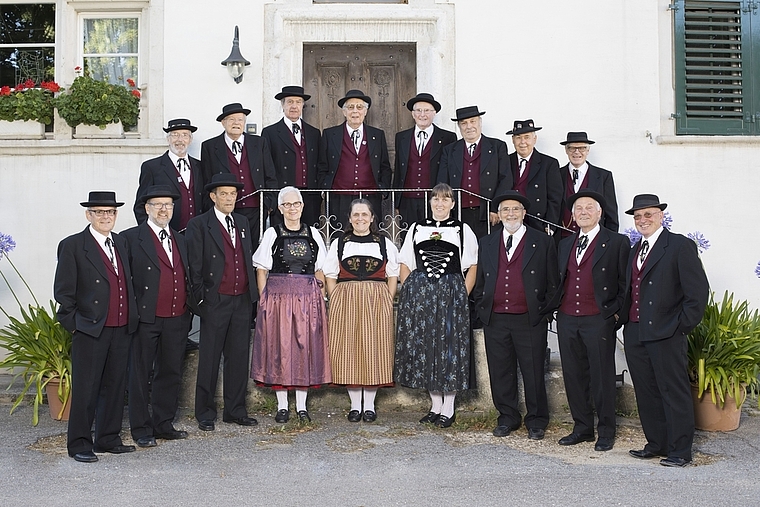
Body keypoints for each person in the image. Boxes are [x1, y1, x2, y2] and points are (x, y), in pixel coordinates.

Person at [623, 194, 709, 468]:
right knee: (646, 391)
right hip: (636, 331)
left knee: (673, 391)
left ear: (661, 216)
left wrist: (679, 327)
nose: (643, 220)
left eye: (648, 214)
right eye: (638, 216)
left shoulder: (679, 245)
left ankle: (680, 450)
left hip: (666, 332)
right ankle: (656, 443)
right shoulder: (636, 249)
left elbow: (697, 294)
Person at [54, 191, 138, 463]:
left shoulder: (122, 242)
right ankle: (79, 443)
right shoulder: (74, 245)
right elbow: (64, 294)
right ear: (88, 215)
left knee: (115, 386)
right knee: (87, 388)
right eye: (100, 212)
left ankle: (107, 438)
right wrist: (77, 325)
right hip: (91, 329)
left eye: (111, 212)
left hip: (121, 327)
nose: (106, 216)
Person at [547, 190, 629, 452]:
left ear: (599, 213)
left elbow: (625, 283)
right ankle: (582, 428)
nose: (583, 212)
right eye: (578, 209)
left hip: (598, 318)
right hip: (569, 318)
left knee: (602, 376)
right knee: (573, 375)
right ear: (572, 215)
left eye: (588, 208)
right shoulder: (565, 244)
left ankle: (606, 431)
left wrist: (615, 313)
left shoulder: (617, 242)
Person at [473, 190, 558, 440]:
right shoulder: (487, 242)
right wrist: (482, 305)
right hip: (496, 318)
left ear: (524, 213)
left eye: (516, 209)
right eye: (506, 210)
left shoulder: (542, 241)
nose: (511, 213)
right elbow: (481, 280)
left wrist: (543, 311)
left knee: (532, 371)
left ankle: (536, 420)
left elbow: (553, 282)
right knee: (500, 371)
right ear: (498, 215)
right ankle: (507, 417)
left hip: (529, 318)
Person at [394, 183, 478, 428]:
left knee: (449, 348)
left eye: (445, 199)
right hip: (421, 298)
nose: (440, 204)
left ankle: (448, 407)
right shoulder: (417, 228)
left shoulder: (462, 230)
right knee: (426, 346)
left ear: (453, 204)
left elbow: (472, 266)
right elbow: (405, 263)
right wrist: (412, 291)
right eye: (436, 199)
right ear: (430, 202)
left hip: (451, 295)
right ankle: (434, 405)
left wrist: (462, 294)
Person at [122, 185, 195, 448]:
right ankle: (141, 428)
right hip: (145, 318)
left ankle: (163, 423)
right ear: (147, 209)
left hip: (177, 318)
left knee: (170, 371)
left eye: (169, 205)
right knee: (140, 374)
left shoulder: (181, 239)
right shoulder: (130, 238)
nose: (164, 209)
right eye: (158, 204)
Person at [185, 173, 259, 431]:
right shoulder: (199, 225)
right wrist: (202, 299)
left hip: (241, 300)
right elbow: (194, 266)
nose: (229, 198)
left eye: (233, 194)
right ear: (213, 197)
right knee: (209, 356)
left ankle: (235, 410)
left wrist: (252, 295)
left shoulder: (241, 222)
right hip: (215, 300)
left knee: (238, 356)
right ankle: (204, 412)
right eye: (224, 194)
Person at [251, 186, 330, 423]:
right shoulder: (272, 234)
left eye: (296, 204)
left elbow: (320, 269)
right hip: (279, 298)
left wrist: (320, 297)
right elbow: (262, 269)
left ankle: (302, 406)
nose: (292, 209)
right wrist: (263, 299)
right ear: (280, 208)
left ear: (303, 207)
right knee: (280, 349)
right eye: (287, 205)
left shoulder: (313, 234)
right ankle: (283, 406)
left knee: (305, 347)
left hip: (307, 298)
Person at [324, 199, 399, 423]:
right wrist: (335, 297)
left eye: (364, 214)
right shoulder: (340, 242)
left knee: (374, 349)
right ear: (349, 218)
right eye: (356, 215)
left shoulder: (384, 242)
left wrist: (388, 297)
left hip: (376, 300)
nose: (360, 219)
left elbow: (393, 273)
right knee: (350, 348)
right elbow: (330, 273)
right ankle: (355, 406)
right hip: (346, 299)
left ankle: (370, 406)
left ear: (372, 218)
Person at [200, 103, 278, 242]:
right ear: (223, 123)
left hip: (256, 209)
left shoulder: (259, 143)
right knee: (228, 247)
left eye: (240, 119)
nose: (236, 123)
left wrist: (269, 204)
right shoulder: (210, 147)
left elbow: (270, 175)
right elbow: (206, 179)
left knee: (254, 248)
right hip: (225, 208)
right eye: (231, 119)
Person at [317, 89, 392, 230]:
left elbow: (384, 166)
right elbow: (322, 165)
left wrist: (383, 189)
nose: (355, 111)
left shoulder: (377, 135)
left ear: (366, 111)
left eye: (359, 107)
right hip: (339, 197)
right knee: (339, 238)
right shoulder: (330, 134)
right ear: (344, 112)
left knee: (372, 238)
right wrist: (324, 188)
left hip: (371, 197)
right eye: (350, 107)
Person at [438, 106, 512, 238]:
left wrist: (496, 208)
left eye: (473, 121)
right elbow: (443, 183)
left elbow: (505, 179)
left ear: (480, 122)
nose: (469, 126)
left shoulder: (497, 146)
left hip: (488, 213)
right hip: (458, 212)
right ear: (459, 127)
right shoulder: (449, 150)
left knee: (487, 252)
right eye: (464, 123)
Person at [392, 92, 457, 229]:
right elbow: (398, 168)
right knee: (408, 238)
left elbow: (450, 170)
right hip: (407, 200)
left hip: (435, 200)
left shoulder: (447, 137)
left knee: (435, 238)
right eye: (419, 110)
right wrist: (396, 201)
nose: (422, 114)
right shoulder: (401, 137)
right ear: (413, 114)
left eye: (427, 111)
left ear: (434, 114)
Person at [262, 85, 322, 228]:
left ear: (303, 105)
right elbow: (266, 167)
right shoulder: (270, 133)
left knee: (309, 235)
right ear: (282, 105)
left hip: (309, 195)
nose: (294, 106)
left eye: (298, 102)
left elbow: (320, 163)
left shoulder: (314, 133)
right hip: (283, 195)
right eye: (289, 102)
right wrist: (272, 198)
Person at [134, 119, 203, 233]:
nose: (180, 140)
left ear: (190, 140)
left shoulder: (200, 166)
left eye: (185, 135)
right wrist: (151, 234)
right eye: (175, 135)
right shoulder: (152, 167)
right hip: (168, 234)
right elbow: (141, 206)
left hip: (197, 235)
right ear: (168, 139)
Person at [507, 119, 562, 235]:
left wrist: (550, 225)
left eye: (526, 137)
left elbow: (555, 198)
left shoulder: (549, 163)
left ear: (534, 139)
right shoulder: (505, 161)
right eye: (518, 137)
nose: (522, 142)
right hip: (510, 223)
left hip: (537, 224)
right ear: (513, 140)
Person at [558, 132, 619, 237]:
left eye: (581, 148)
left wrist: (610, 241)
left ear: (588, 150)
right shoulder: (556, 174)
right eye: (572, 148)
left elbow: (611, 214)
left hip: (595, 239)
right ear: (566, 150)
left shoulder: (603, 176)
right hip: (562, 240)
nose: (577, 152)